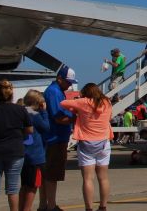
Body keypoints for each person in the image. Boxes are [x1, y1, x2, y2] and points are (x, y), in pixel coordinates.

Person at [60, 83, 113, 211]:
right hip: (103, 142)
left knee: (88, 179)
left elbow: (63, 103)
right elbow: (110, 118)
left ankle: (89, 208)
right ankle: (103, 206)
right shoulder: (107, 102)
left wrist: (76, 105)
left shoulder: (83, 102)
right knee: (103, 178)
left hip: (86, 143)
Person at [0, 80, 32, 211]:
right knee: (12, 189)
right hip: (15, 152)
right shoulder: (20, 110)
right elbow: (30, 130)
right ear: (12, 94)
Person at [41, 65, 76, 211]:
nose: (69, 85)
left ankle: (44, 205)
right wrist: (75, 118)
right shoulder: (55, 92)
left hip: (53, 138)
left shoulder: (55, 91)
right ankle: (51, 205)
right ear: (59, 78)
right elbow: (58, 117)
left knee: (47, 174)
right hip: (55, 138)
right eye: (67, 82)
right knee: (52, 175)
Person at [20, 90, 50, 211]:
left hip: (24, 154)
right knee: (33, 186)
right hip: (35, 156)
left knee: (24, 185)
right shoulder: (35, 115)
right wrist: (44, 112)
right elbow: (46, 128)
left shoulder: (21, 112)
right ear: (38, 102)